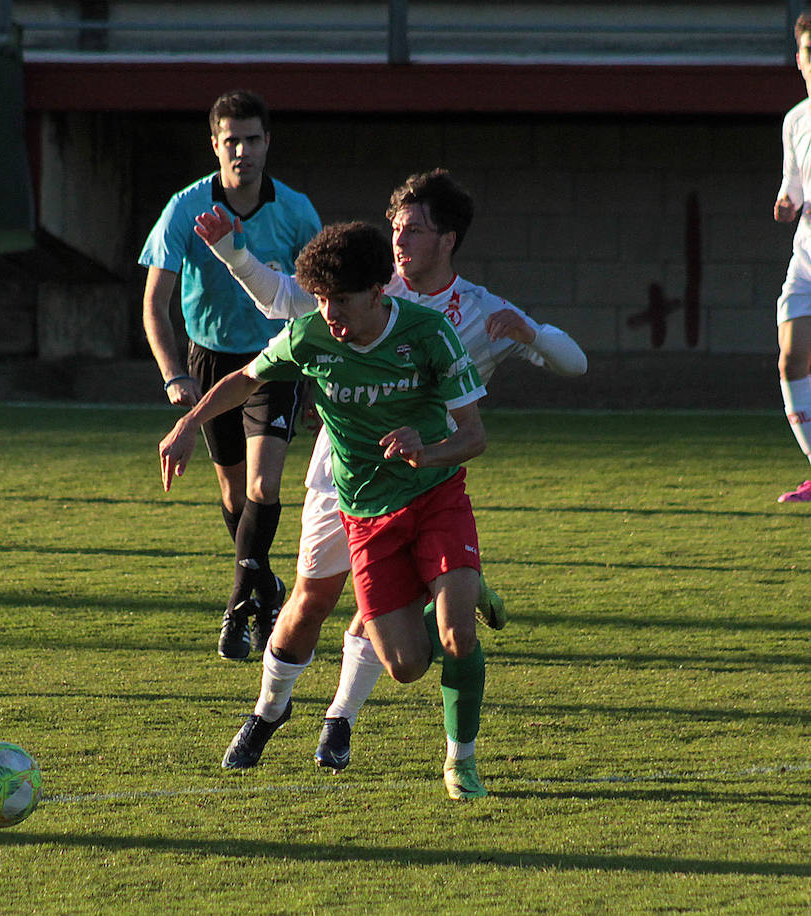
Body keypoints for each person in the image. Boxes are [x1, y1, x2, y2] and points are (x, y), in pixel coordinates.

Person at [196, 169, 587, 792]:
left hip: (427, 478)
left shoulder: (479, 312)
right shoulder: (361, 285)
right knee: (313, 603)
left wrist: (533, 334)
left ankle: (343, 719)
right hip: (345, 476)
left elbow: (572, 363)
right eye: (396, 226)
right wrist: (231, 251)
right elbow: (286, 302)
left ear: (449, 239)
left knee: (415, 622)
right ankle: (271, 710)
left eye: (415, 229)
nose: (400, 237)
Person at [160, 221, 495, 799]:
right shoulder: (312, 336)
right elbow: (245, 378)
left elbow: (475, 437)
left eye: (339, 300)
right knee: (406, 667)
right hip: (364, 513)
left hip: (435, 494)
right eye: (319, 299)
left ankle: (459, 761)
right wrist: (188, 422)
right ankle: (453, 589)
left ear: (376, 291)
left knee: (458, 633)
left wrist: (427, 450)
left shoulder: (429, 332)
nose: (328, 312)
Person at [139, 89, 322, 660]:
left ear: (267, 142)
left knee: (264, 483)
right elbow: (154, 303)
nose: (241, 150)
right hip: (210, 359)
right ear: (215, 145)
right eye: (230, 140)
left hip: (277, 359)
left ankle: (240, 597)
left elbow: (318, 304)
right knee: (232, 491)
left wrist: (318, 380)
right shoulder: (184, 209)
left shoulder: (296, 212)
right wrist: (175, 375)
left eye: (251, 138)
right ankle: (265, 589)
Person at [773, 10, 811, 503]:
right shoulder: (796, 120)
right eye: (809, 51)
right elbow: (793, 188)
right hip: (806, 257)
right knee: (791, 359)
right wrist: (786, 204)